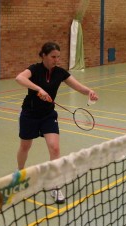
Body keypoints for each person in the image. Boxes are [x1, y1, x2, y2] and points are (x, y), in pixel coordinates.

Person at [15, 42, 98, 203]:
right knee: (25, 146)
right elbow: (19, 78)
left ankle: (55, 185)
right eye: (53, 57)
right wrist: (38, 89)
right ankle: (20, 172)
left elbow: (78, 87)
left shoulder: (60, 73)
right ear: (43, 56)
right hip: (29, 114)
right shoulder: (34, 69)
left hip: (48, 115)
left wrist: (89, 92)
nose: (56, 60)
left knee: (55, 148)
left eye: (58, 57)